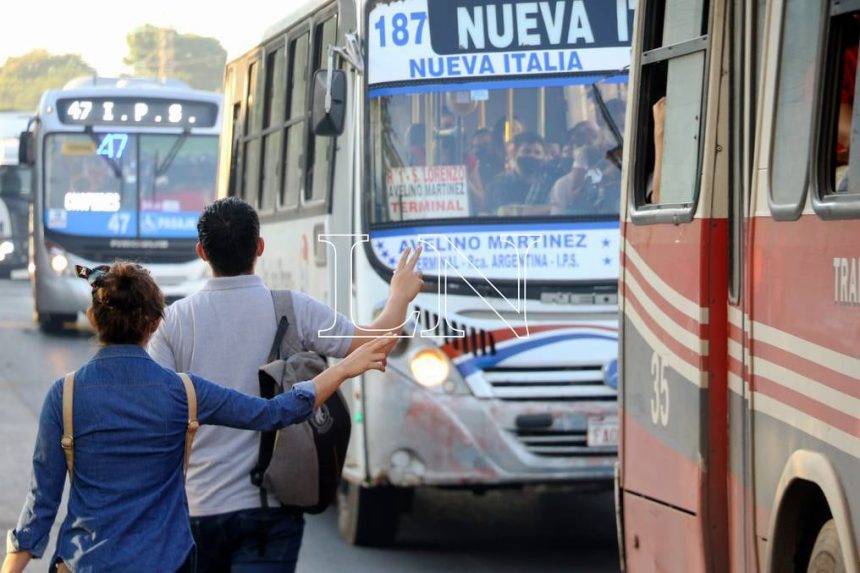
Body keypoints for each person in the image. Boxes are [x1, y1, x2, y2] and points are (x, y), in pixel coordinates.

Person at [1, 262, 394, 573]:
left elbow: (41, 505)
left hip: (82, 562)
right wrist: (341, 370)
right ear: (155, 325)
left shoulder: (64, 396)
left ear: (92, 316)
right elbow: (273, 414)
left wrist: (13, 563)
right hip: (164, 562)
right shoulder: (183, 392)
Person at [147, 197, 424, 573]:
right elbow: (377, 340)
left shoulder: (174, 321)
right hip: (269, 511)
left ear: (201, 252)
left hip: (194, 513)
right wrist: (399, 296)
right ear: (260, 247)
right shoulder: (293, 309)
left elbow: (157, 418)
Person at [488, 131, 553, 213]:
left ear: (543, 157)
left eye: (537, 153)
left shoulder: (547, 185)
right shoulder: (500, 182)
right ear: (515, 153)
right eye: (526, 151)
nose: (532, 156)